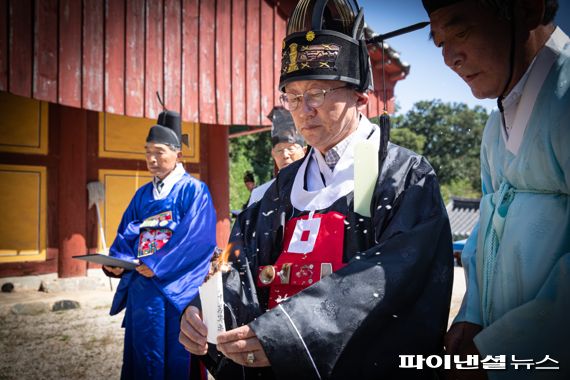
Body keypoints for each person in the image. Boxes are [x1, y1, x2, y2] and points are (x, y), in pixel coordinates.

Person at [180, 1, 454, 379]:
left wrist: (288, 332)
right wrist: (208, 312)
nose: (303, 110)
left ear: (360, 95)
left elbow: (395, 278)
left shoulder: (399, 175)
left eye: (318, 93)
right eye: (292, 96)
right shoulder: (282, 187)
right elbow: (241, 267)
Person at [423, 0, 569, 378]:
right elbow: (487, 228)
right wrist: (472, 314)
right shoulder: (495, 127)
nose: (450, 57)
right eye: (439, 42)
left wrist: (499, 348)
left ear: (527, 11)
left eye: (461, 30)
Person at [102, 110, 217, 379]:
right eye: (147, 152)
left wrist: (156, 264)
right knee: (142, 356)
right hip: (142, 288)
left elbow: (197, 238)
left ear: (177, 152)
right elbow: (127, 233)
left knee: (176, 355)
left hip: (175, 290)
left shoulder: (194, 190)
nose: (152, 159)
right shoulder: (142, 194)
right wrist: (117, 263)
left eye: (159, 151)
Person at [247, 107, 306, 206]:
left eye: (291, 149)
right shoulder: (260, 195)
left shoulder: (318, 186)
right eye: (279, 150)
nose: (285, 155)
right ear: (273, 154)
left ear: (305, 151)